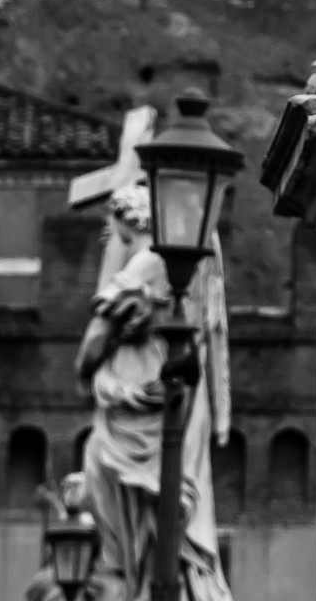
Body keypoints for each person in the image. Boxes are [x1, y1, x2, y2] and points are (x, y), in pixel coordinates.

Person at [76, 181, 232, 601]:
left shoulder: (146, 262)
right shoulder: (188, 263)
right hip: (168, 394)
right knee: (161, 498)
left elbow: (96, 335)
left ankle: (144, 585)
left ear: (127, 222)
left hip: (139, 400)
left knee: (114, 481)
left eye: (113, 229)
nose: (110, 236)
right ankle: (159, 582)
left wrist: (86, 369)